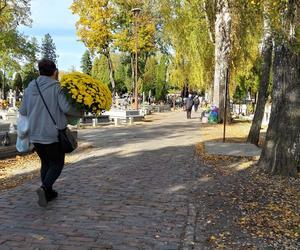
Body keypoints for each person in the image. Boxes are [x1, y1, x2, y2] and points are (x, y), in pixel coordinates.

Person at [19, 59, 81, 207]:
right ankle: (44, 188)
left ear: (39, 72)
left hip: (35, 135)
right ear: (55, 72)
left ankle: (48, 193)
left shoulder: (29, 89)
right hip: (52, 134)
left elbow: (23, 111)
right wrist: (80, 110)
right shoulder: (57, 88)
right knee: (57, 163)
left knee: (46, 162)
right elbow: (66, 108)